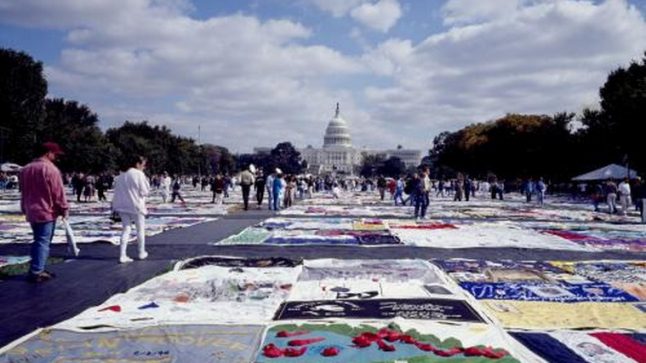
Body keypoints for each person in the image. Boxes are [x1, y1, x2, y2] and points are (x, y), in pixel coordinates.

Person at [20, 142, 69, 282]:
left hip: (31, 209)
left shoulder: (25, 169)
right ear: (48, 153)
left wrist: (24, 207)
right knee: (43, 241)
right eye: (55, 154)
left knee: (38, 240)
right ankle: (37, 271)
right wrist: (64, 209)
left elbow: (23, 191)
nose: (56, 157)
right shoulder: (51, 169)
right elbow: (58, 193)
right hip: (46, 210)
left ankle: (37, 267)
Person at [112, 155, 150, 263]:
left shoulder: (121, 176)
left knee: (126, 229)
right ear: (138, 164)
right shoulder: (139, 174)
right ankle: (141, 252)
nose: (144, 167)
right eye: (143, 165)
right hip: (136, 205)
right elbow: (145, 192)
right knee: (140, 230)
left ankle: (122, 255)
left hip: (123, 206)